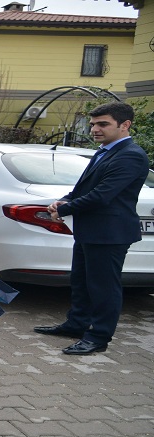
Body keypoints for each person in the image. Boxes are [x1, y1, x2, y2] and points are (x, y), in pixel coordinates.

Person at [34, 101, 150, 355]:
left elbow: (102, 195)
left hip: (110, 234)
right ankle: (76, 325)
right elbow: (83, 189)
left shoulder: (130, 155)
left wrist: (63, 210)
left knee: (104, 287)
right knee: (82, 282)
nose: (95, 129)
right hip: (91, 230)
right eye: (93, 124)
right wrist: (64, 200)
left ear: (125, 125)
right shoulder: (104, 151)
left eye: (103, 124)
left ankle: (98, 337)